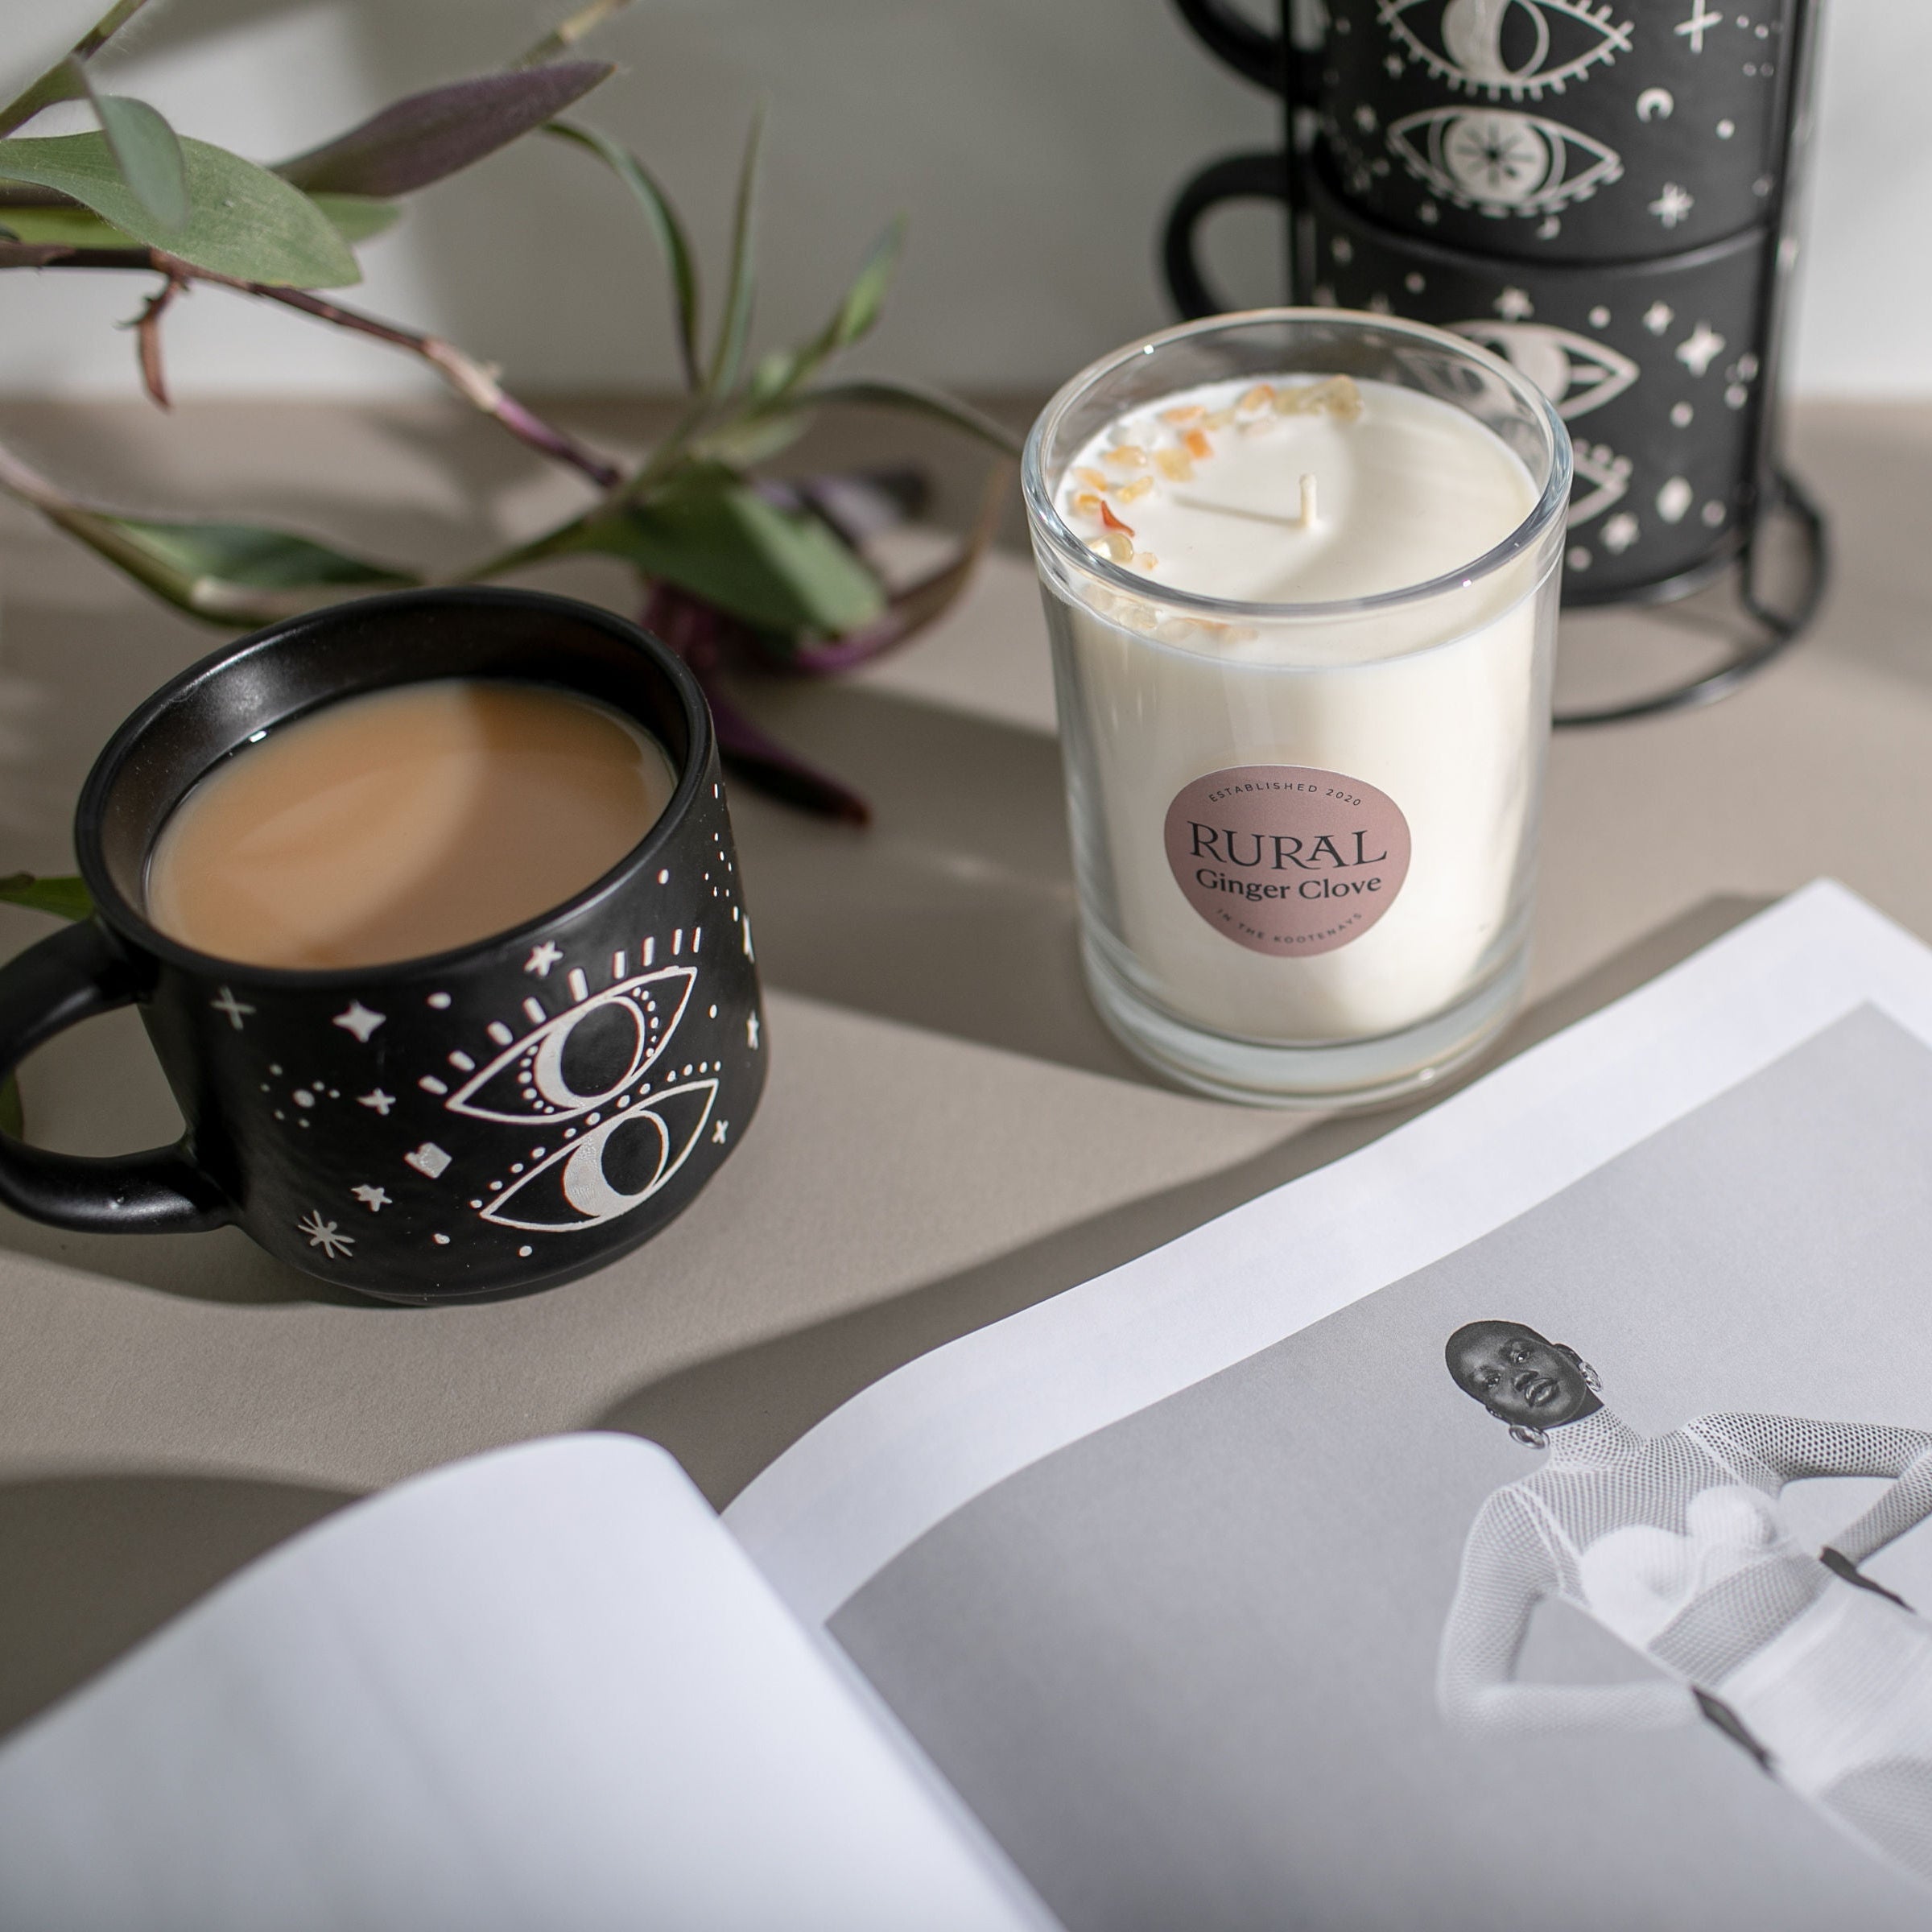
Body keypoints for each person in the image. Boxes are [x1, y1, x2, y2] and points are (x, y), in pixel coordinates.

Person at [1438, 1319, 1932, 1890]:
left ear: (1568, 1355)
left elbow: (1924, 1455)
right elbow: (1472, 1701)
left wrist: (1843, 1555)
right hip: (1826, 1742)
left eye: (1521, 1354)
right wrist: (1684, 1705)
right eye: (1491, 1382)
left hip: (1905, 1656)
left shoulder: (1720, 1439)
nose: (1518, 1377)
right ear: (1501, 1416)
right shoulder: (1524, 1522)